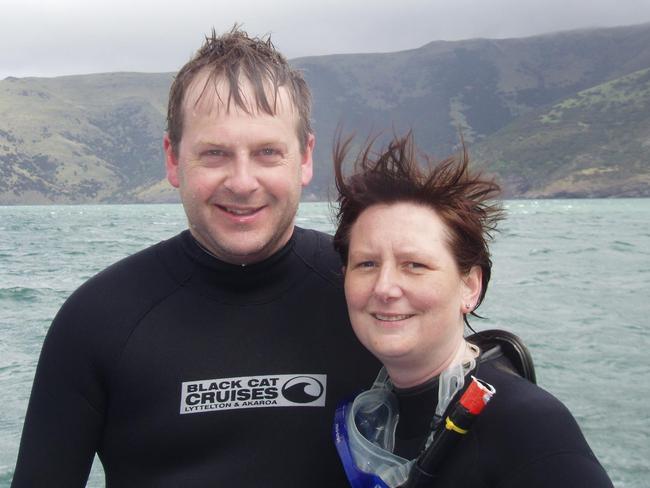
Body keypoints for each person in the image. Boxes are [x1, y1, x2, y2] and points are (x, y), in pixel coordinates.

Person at [11, 27, 378, 487]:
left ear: (304, 158)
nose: (243, 182)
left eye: (267, 152)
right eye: (215, 154)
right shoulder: (97, 320)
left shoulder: (369, 298)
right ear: (172, 158)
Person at [330, 132, 614, 487]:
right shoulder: (372, 416)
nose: (385, 287)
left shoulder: (531, 426)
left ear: (471, 286)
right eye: (367, 264)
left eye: (415, 264)